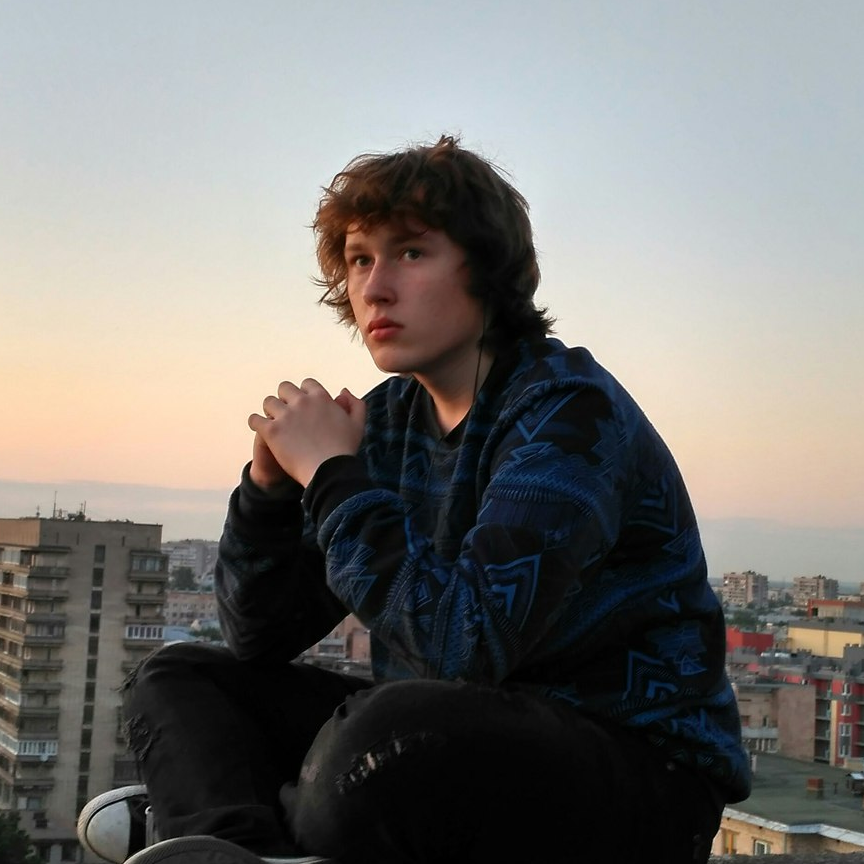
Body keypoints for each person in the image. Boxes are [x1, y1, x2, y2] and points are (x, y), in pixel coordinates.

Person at [79, 136, 750, 864]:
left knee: (382, 735)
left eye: (410, 252)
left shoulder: (567, 414)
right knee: (180, 677)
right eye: (360, 260)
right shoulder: (388, 422)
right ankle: (242, 846)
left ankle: (216, 813)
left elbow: (467, 645)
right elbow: (259, 639)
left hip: (637, 774)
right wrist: (269, 493)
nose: (374, 288)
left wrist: (331, 474)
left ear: (487, 269)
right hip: (448, 742)